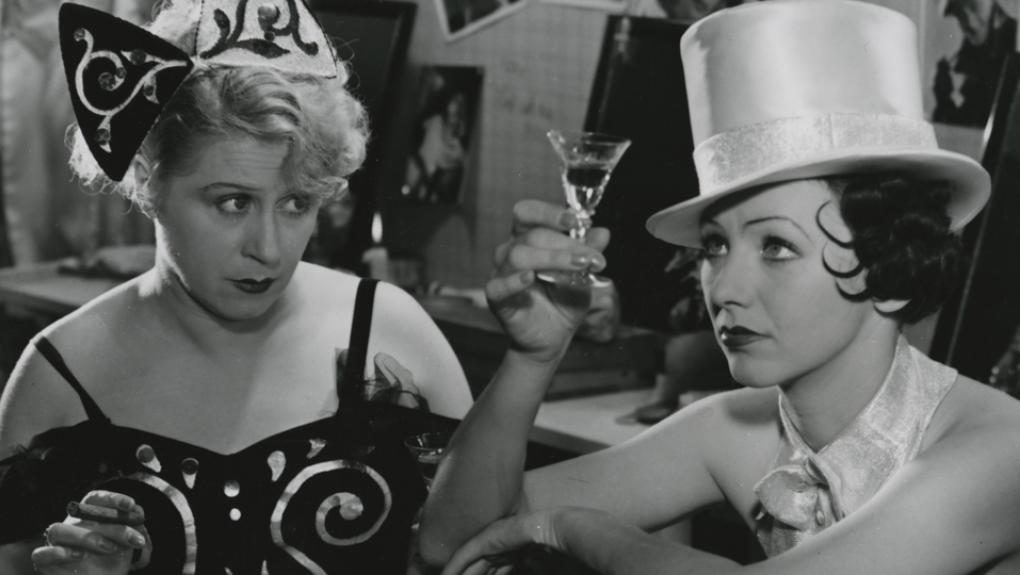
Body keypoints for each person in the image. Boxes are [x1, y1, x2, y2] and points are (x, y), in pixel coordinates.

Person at [419, 1, 1020, 573]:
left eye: (776, 246)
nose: (724, 288)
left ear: (891, 269)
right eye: (714, 245)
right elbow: (448, 540)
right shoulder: (734, 429)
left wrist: (568, 529)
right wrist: (531, 359)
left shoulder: (999, 447)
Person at [0, 1, 472, 574]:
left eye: (297, 203)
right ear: (147, 177)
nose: (268, 249)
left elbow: (486, 549)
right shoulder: (59, 376)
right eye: (233, 202)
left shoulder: (390, 331)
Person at [932, 0, 1017, 127]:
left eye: (973, 5)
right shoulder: (971, 54)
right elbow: (968, 121)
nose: (970, 21)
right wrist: (943, 100)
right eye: (959, 13)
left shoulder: (1014, 41)